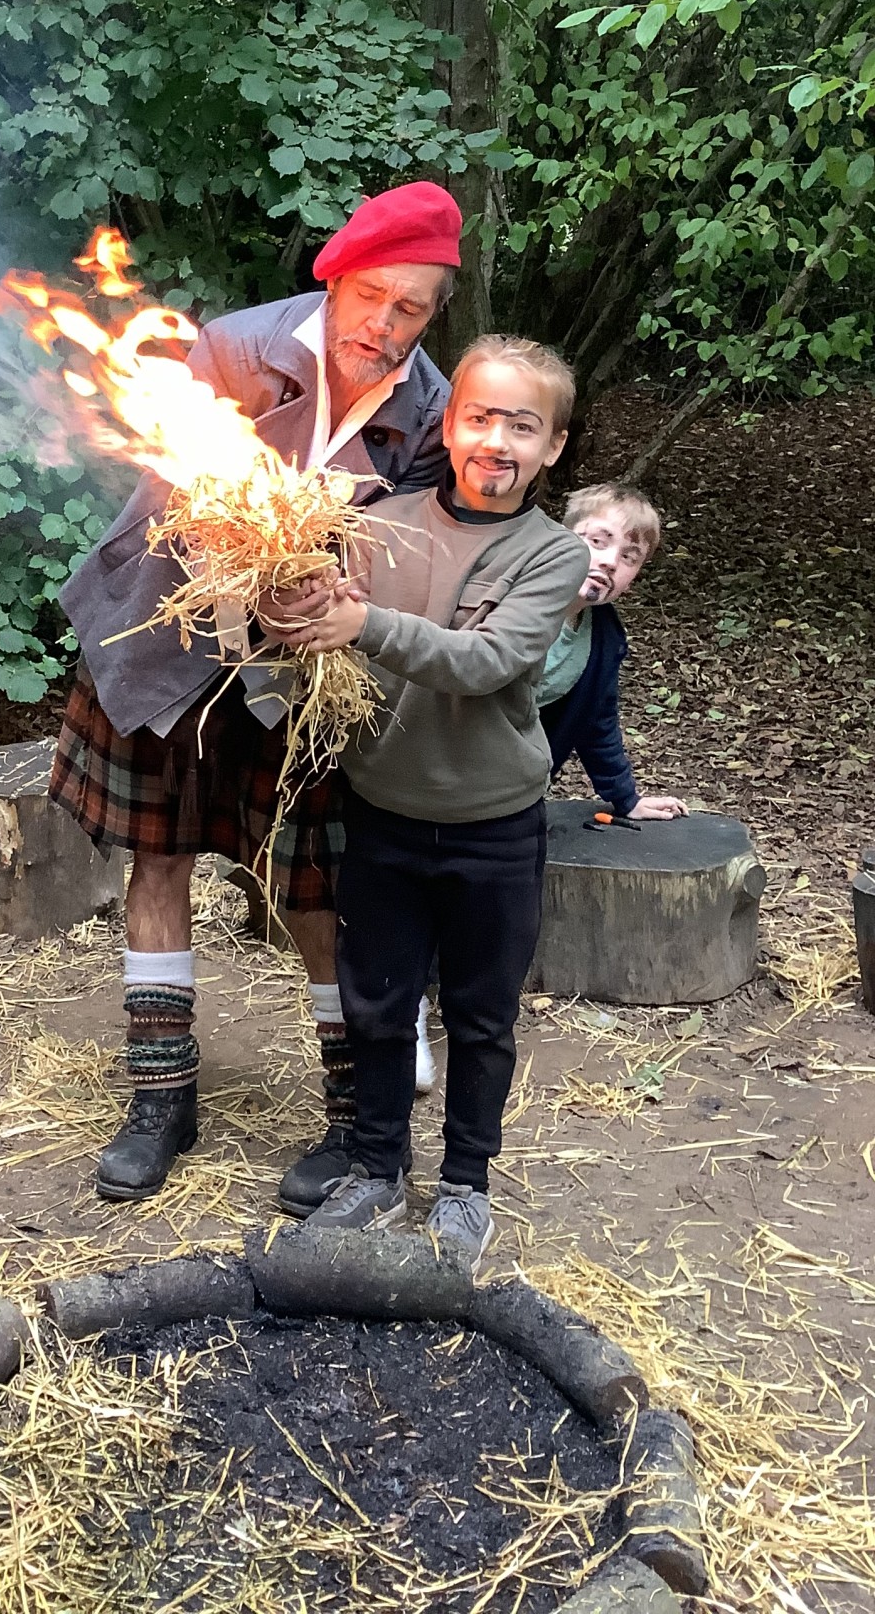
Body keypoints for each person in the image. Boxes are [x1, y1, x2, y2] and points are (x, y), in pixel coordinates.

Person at [49, 182, 461, 1206]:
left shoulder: (430, 409)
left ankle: (352, 1119)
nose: (388, 326)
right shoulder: (234, 348)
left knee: (321, 892)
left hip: (308, 674)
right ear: (337, 275)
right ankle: (161, 1097)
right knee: (159, 858)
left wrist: (328, 592)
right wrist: (239, 560)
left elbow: (405, 551)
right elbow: (169, 494)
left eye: (413, 309)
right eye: (375, 297)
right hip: (175, 633)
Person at [282, 334, 590, 1271]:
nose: (497, 440)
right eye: (480, 417)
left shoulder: (554, 554)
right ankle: (376, 1166)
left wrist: (363, 620)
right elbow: (331, 647)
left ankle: (464, 1185)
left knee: (482, 1014)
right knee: (375, 1003)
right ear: (449, 424)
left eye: (522, 427)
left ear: (554, 448)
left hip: (494, 827)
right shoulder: (385, 520)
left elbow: (486, 663)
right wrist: (299, 609)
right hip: (381, 813)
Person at [539, 482, 687, 820]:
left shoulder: (603, 639)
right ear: (559, 539)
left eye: (628, 557)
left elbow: (597, 723)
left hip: (515, 796)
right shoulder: (503, 600)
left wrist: (625, 798)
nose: (609, 562)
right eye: (597, 542)